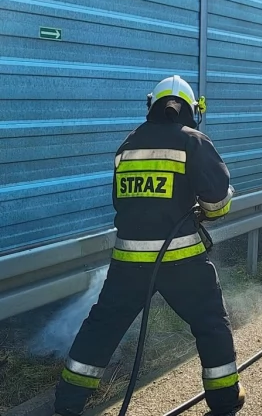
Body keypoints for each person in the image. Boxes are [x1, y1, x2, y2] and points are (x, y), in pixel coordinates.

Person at [54, 76, 246, 416]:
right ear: (190, 109)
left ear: (151, 105)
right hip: (183, 263)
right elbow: (217, 204)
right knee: (211, 325)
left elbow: (121, 202)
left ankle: (67, 405)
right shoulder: (193, 142)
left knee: (101, 328)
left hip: (128, 265)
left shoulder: (126, 147)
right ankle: (225, 402)